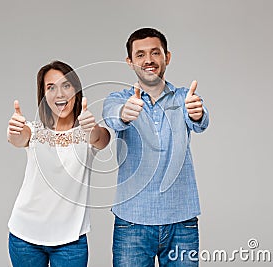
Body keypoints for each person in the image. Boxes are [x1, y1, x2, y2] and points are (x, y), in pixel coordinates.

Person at [102, 28, 209, 266]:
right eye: (140, 55)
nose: (148, 60)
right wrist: (125, 114)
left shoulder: (184, 98)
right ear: (129, 62)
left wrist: (197, 112)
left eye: (155, 53)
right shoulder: (118, 99)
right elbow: (112, 117)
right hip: (132, 222)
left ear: (167, 57)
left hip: (182, 221)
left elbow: (200, 121)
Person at [7, 60, 110, 267]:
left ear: (76, 90)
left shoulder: (88, 133)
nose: (60, 94)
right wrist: (14, 130)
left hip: (70, 240)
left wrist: (93, 129)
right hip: (25, 236)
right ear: (44, 95)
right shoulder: (33, 130)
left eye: (66, 85)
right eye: (50, 87)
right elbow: (17, 139)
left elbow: (102, 138)